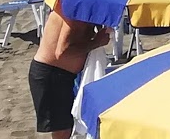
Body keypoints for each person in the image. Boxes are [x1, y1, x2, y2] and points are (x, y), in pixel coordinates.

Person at [30, 9, 110, 138]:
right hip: (51, 74)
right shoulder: (74, 13)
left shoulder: (81, 12)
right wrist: (96, 43)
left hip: (62, 75)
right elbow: (62, 51)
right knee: (63, 130)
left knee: (68, 127)